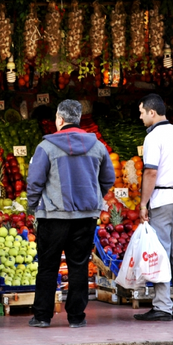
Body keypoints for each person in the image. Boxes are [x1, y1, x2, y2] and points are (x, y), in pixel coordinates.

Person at [26, 99, 115, 329]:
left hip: (53, 217)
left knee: (48, 267)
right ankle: (76, 317)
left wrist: (32, 205)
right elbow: (108, 179)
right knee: (79, 266)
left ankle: (42, 317)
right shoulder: (97, 146)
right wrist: (94, 197)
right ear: (78, 119)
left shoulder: (46, 147)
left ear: (60, 119)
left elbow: (34, 182)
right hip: (85, 218)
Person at [134, 93, 173, 321]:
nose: (140, 117)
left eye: (141, 112)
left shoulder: (153, 137)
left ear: (152, 112)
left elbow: (150, 172)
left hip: (162, 200)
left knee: (161, 253)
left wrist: (143, 203)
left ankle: (162, 306)